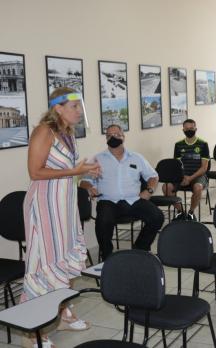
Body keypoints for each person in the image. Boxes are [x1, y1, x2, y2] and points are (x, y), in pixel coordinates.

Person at [22, 87, 101, 347]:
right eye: (74, 106)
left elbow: (67, 170)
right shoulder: (44, 131)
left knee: (63, 259)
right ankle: (33, 333)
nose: (79, 111)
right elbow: (35, 172)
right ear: (58, 108)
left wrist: (85, 170)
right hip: (44, 205)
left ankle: (63, 312)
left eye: (80, 106)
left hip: (64, 205)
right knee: (43, 264)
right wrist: (74, 170)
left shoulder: (67, 132)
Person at [80, 124, 164, 261]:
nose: (113, 137)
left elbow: (153, 176)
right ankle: (107, 256)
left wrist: (149, 191)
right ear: (106, 138)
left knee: (157, 217)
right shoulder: (97, 159)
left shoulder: (136, 157)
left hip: (134, 200)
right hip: (108, 201)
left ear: (123, 137)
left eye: (116, 134)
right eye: (109, 135)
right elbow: (84, 181)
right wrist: (89, 187)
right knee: (103, 222)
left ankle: (140, 248)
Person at [162, 119, 209, 220]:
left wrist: (190, 178)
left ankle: (191, 213)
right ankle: (181, 212)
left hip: (198, 176)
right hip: (182, 176)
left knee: (198, 187)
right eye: (186, 129)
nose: (189, 130)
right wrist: (183, 177)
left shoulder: (203, 144)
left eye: (191, 128)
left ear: (195, 129)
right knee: (166, 187)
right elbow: (177, 166)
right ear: (183, 129)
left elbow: (204, 168)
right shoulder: (178, 145)